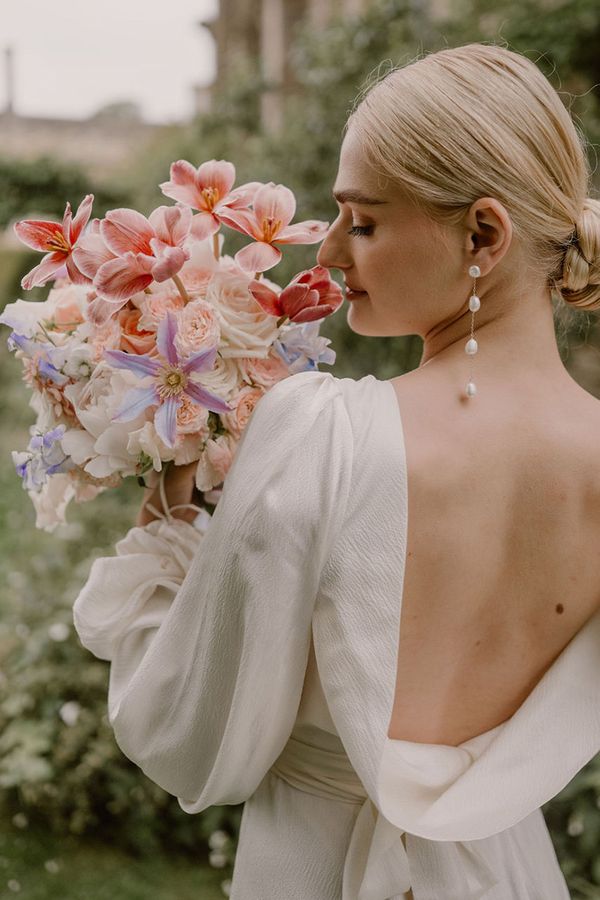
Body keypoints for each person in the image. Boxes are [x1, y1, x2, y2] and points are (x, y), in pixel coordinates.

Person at [73, 42, 600, 900]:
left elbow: (187, 739)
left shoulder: (325, 434)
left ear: (483, 234)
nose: (327, 260)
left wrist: (167, 542)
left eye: (362, 222)